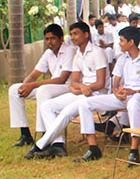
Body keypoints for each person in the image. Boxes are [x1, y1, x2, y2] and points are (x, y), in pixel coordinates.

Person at [26, 21, 110, 160]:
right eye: (71, 34)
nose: (73, 37)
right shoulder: (78, 55)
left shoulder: (97, 52)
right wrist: (77, 88)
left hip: (96, 93)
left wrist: (84, 88)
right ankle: (58, 144)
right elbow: (75, 81)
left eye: (76, 33)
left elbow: (101, 83)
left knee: (66, 112)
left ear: (86, 34)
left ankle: (39, 145)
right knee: (47, 106)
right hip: (82, 92)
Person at [76, 27, 140, 166]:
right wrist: (116, 91)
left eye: (121, 40)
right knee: (85, 103)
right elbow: (115, 83)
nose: (119, 43)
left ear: (131, 42)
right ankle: (93, 148)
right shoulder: (122, 59)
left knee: (133, 104)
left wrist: (135, 91)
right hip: (124, 96)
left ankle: (134, 150)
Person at [9, 24, 76, 147]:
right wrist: (25, 86)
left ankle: (45, 134)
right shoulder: (48, 53)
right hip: (52, 88)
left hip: (68, 88)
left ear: (61, 38)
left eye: (53, 38)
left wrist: (33, 85)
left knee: (43, 90)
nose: (49, 42)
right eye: (47, 39)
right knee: (14, 90)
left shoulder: (69, 51)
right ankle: (25, 134)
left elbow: (62, 79)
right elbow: (34, 75)